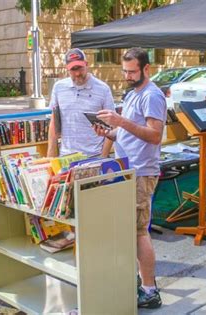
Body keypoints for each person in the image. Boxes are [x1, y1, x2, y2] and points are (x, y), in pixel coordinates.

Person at [94, 47, 167, 309]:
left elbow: (154, 135)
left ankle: (150, 289)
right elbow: (129, 133)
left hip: (141, 172)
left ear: (146, 69)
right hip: (127, 169)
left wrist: (120, 122)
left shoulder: (152, 95)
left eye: (132, 71)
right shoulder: (134, 92)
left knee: (138, 231)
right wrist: (109, 133)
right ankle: (140, 282)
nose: (127, 76)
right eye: (124, 71)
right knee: (132, 230)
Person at [47, 48, 115, 157]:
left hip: (94, 155)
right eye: (73, 69)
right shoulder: (59, 88)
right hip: (66, 156)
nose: (78, 73)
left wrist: (103, 156)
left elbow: (111, 125)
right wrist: (50, 154)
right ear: (67, 69)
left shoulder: (103, 89)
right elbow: (54, 121)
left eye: (80, 68)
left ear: (86, 64)